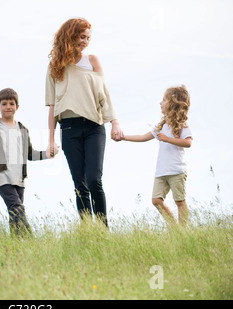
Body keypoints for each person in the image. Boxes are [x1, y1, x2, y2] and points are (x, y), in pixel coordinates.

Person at [45, 18, 123, 226]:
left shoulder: (92, 61)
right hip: (69, 128)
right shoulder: (55, 66)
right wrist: (51, 140)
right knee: (79, 184)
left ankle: (103, 229)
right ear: (70, 35)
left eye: (88, 38)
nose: (85, 41)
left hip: (94, 127)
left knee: (94, 180)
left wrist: (114, 122)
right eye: (82, 37)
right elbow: (52, 106)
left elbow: (103, 94)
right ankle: (88, 231)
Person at [0, 88, 53, 236]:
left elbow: (30, 154)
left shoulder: (23, 130)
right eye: (4, 104)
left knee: (14, 213)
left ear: (17, 107)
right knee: (17, 207)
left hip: (19, 177)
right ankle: (32, 242)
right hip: (1, 175)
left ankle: (14, 246)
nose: (8, 106)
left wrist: (46, 154)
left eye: (12, 103)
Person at [122, 85, 192, 226]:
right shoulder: (161, 126)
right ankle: (174, 228)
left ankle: (183, 232)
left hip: (176, 170)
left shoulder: (182, 125)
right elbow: (143, 137)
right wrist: (123, 137)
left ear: (173, 103)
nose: (161, 103)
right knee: (156, 200)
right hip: (161, 171)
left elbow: (188, 142)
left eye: (164, 100)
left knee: (179, 201)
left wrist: (167, 139)